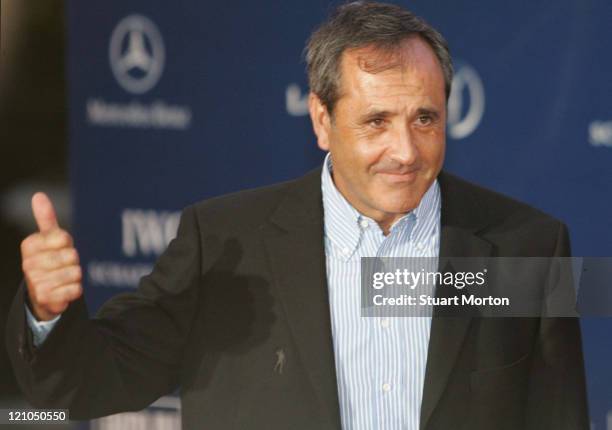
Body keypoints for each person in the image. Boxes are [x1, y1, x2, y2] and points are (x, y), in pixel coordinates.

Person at [6, 2, 588, 429]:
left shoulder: (528, 247)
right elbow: (81, 385)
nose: (406, 151)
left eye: (425, 119)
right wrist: (48, 314)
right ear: (320, 120)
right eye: (377, 121)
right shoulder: (224, 243)